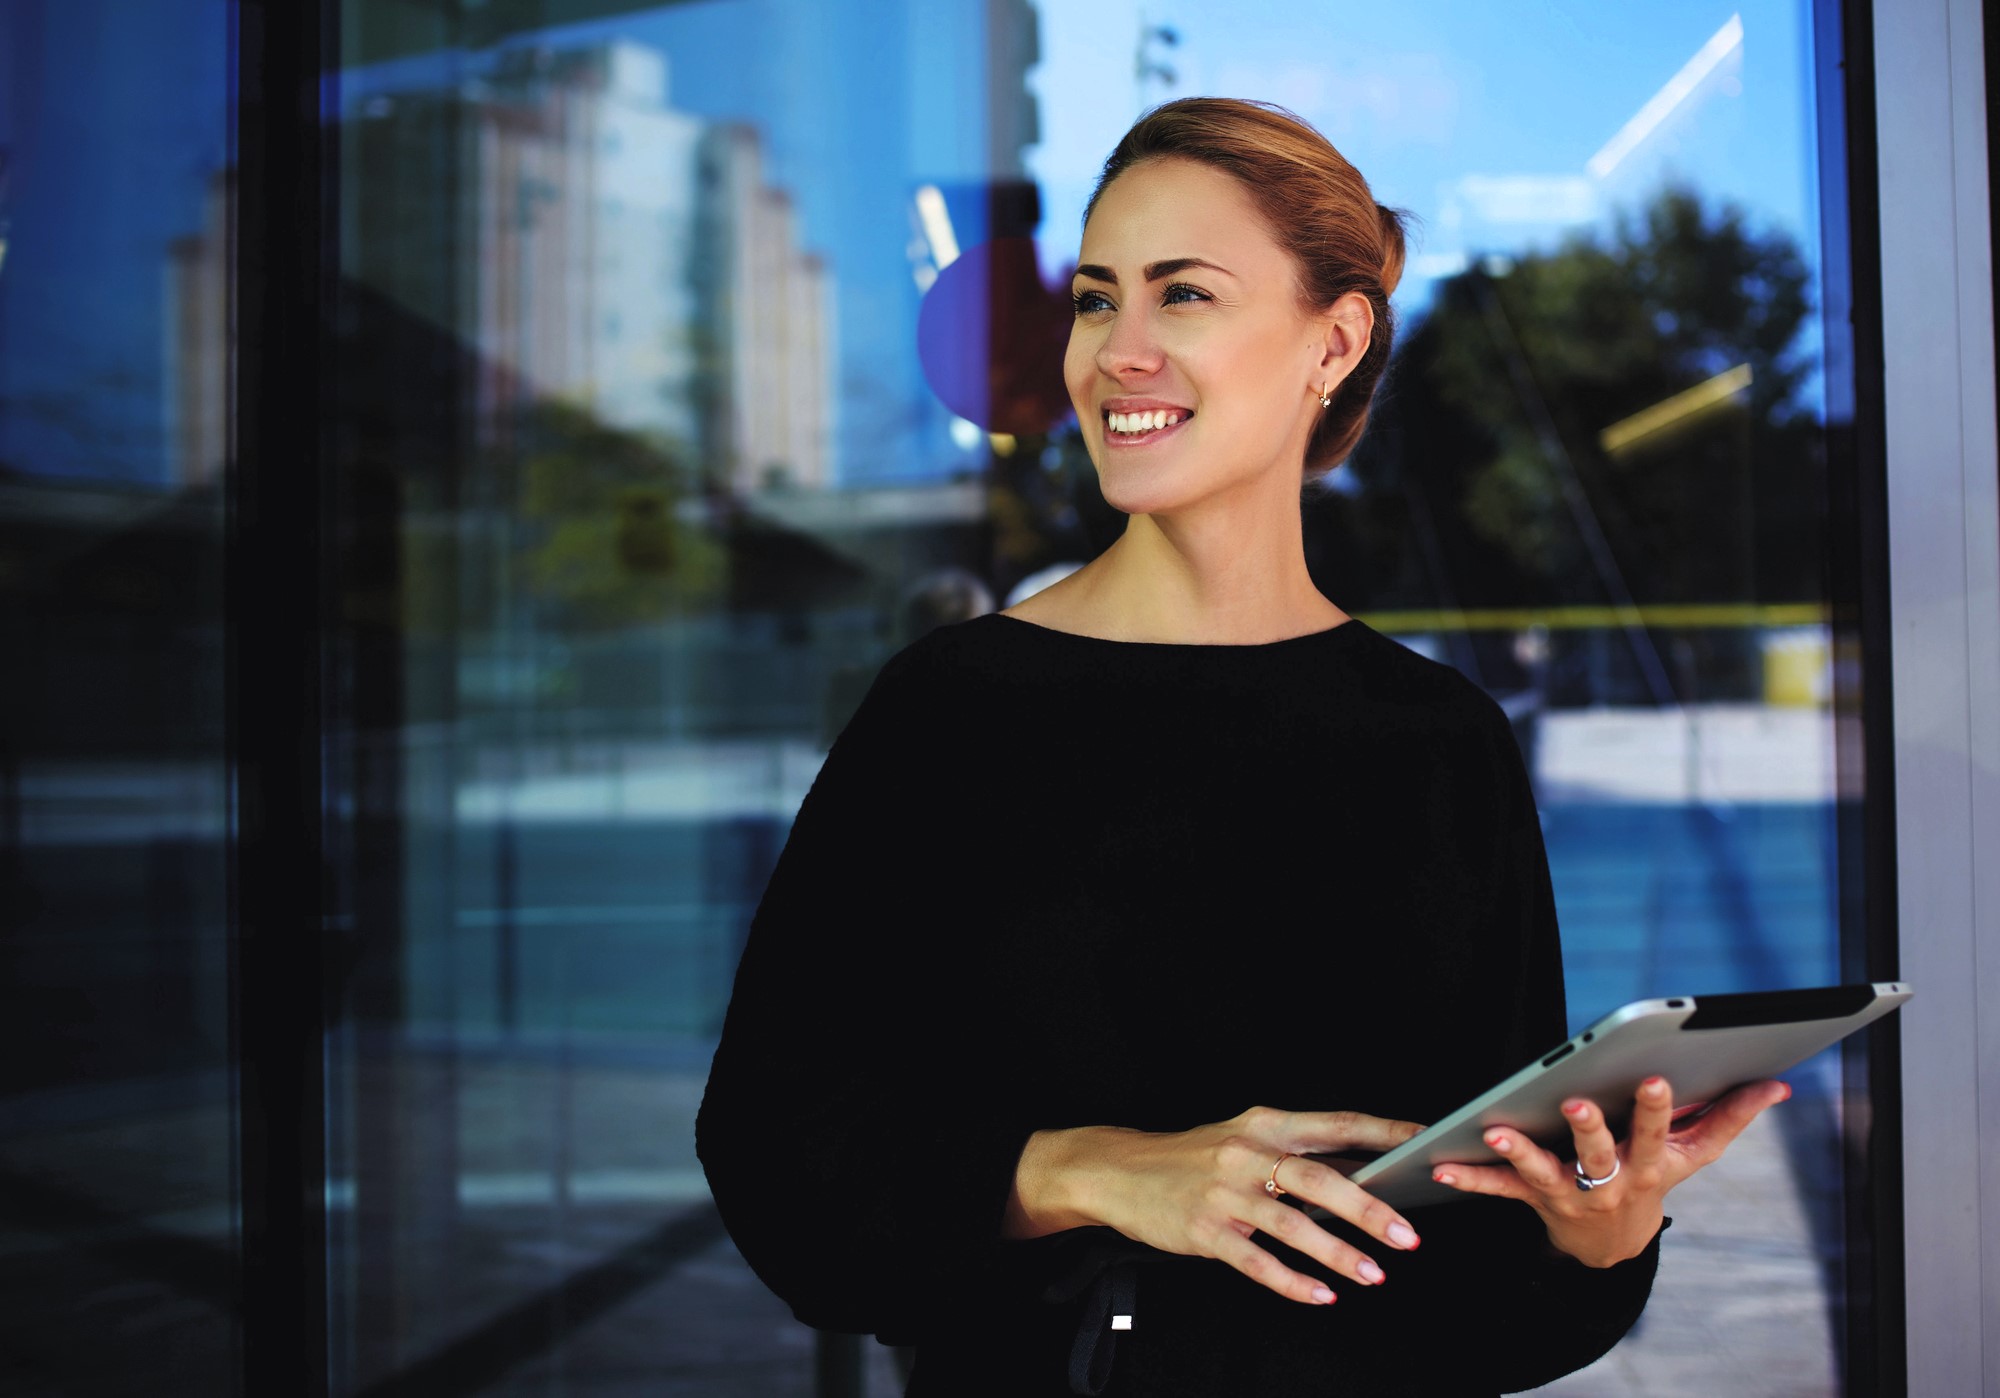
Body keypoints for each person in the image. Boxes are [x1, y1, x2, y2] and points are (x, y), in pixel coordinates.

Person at [695, 97, 1789, 1396]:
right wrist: (1077, 1167)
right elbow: (777, 1158)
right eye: (1098, 300)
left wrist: (1596, 1240)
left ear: (1335, 340)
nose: (1119, 351)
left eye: (1185, 296)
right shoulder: (951, 710)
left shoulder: (1441, 744)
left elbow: (1490, 1301)